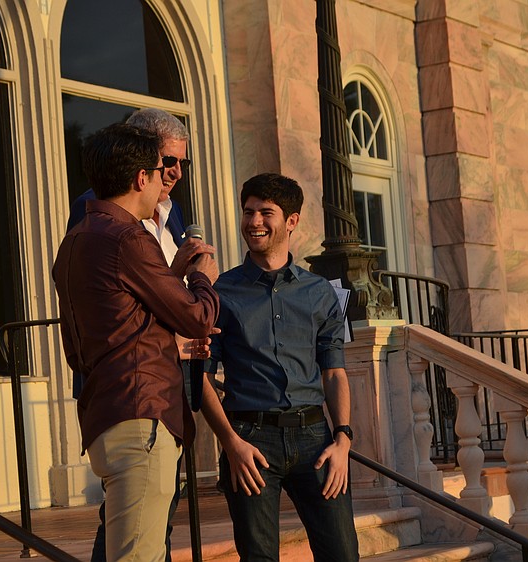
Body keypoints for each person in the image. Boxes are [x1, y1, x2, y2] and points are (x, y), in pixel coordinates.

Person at [53, 123, 219, 562]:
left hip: (106, 413)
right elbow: (197, 316)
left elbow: (86, 344)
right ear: (139, 178)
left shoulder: (73, 242)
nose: (167, 183)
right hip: (141, 414)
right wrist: (203, 276)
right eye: (160, 170)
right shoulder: (129, 237)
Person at [200, 173, 359, 561]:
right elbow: (200, 376)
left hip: (316, 441)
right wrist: (230, 443)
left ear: (291, 221)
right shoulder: (221, 292)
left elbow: (334, 371)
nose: (253, 222)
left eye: (265, 213)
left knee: (343, 555)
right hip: (249, 441)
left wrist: (343, 439)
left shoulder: (319, 292)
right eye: (248, 212)